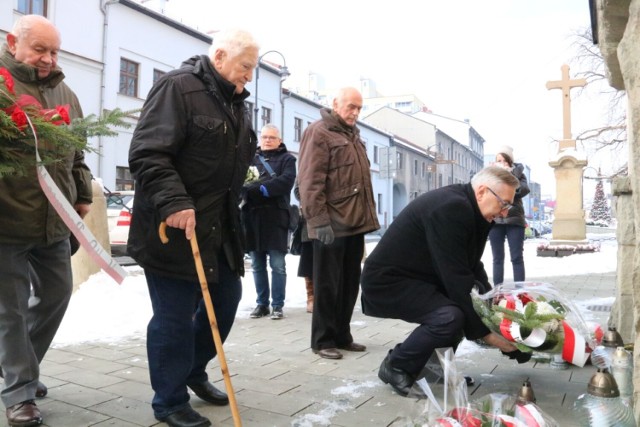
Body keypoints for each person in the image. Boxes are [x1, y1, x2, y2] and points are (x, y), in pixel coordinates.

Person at [127, 28, 259, 427]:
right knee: (173, 317)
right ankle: (168, 400)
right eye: (245, 66)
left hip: (218, 229)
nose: (249, 76)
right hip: (173, 227)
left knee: (226, 301)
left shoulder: (237, 104)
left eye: (253, 68)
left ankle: (192, 370)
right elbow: (148, 152)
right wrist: (174, 202)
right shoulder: (178, 89)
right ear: (219, 57)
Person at [360, 166, 532, 397]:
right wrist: (487, 334)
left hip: (419, 277)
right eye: (503, 203)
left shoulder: (470, 208)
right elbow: (456, 280)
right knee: (449, 316)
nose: (504, 213)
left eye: (509, 206)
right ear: (482, 191)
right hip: (388, 281)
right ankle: (396, 365)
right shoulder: (451, 208)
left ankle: (430, 369)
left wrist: (494, 308)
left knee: (466, 305)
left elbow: (471, 266)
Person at [0, 15, 93, 427]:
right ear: (13, 42)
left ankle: (17, 367)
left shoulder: (65, 92)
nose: (47, 58)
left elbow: (77, 153)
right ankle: (20, 392)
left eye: (53, 51)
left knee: (57, 295)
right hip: (6, 221)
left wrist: (84, 195)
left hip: (55, 222)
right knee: (12, 310)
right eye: (40, 49)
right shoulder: (2, 87)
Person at [297, 87, 380, 360]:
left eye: (359, 108)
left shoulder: (353, 136)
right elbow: (310, 181)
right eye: (350, 106)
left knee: (348, 283)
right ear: (335, 104)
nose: (355, 112)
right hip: (330, 224)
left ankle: (342, 335)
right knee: (327, 285)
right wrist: (319, 221)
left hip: (354, 224)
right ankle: (322, 340)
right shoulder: (319, 132)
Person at [242, 124, 296, 320]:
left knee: (278, 264)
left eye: (272, 137)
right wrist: (252, 189)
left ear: (279, 140)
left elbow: (286, 182)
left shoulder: (288, 159)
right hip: (253, 218)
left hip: (276, 218)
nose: (267, 140)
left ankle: (277, 305)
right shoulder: (250, 159)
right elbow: (241, 182)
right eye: (264, 137)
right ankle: (261, 304)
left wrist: (261, 189)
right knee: (257, 264)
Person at [488, 145, 530, 285]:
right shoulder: (491, 175)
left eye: (503, 160)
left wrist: (509, 176)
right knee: (497, 259)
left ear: (509, 161)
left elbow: (523, 190)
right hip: (496, 220)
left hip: (515, 220)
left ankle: (520, 291)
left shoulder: (519, 173)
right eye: (497, 160)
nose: (500, 163)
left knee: (517, 257)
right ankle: (497, 291)